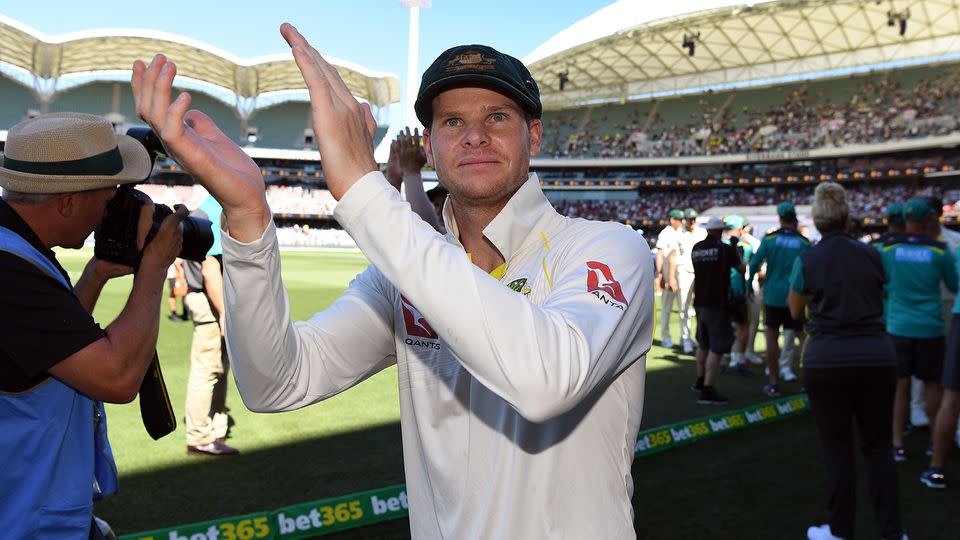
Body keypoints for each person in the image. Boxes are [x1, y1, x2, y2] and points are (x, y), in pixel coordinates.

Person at [133, 27, 653, 540]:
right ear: (429, 144)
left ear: (533, 134)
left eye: (497, 116)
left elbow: (545, 382)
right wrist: (248, 215)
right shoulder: (402, 279)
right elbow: (276, 383)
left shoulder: (607, 249)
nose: (474, 135)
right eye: (452, 121)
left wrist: (363, 190)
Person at [0, 112, 186, 538]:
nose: (107, 216)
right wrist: (155, 266)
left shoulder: (16, 250)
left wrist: (97, 273)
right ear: (67, 201)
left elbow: (49, 351)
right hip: (21, 520)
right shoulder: (7, 270)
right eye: (105, 202)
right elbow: (117, 377)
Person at [788, 182, 906, 540]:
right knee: (879, 446)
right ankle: (892, 532)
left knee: (837, 449)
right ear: (846, 215)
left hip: (827, 359)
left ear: (818, 218)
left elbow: (796, 309)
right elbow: (884, 293)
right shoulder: (873, 254)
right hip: (876, 355)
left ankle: (840, 531)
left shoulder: (807, 257)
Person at [881, 197, 957, 462]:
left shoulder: (887, 250)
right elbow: (954, 284)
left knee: (900, 386)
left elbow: (881, 282)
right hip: (930, 327)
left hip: (898, 326)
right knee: (933, 387)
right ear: (928, 221)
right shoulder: (939, 250)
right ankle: (935, 444)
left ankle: (897, 442)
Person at [182, 196, 239, 456]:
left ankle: (214, 431)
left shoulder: (204, 212)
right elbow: (210, 268)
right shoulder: (212, 213)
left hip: (211, 301)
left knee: (218, 369)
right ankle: (200, 436)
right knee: (208, 370)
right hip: (210, 303)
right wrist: (225, 313)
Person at [748, 200, 811, 397]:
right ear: (794, 218)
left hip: (773, 296)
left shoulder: (769, 239)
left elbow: (755, 263)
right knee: (803, 339)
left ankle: (774, 383)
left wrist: (748, 284)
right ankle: (808, 383)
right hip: (797, 296)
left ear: (780, 218)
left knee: (772, 338)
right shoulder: (804, 242)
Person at [690, 216, 742, 404]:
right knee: (717, 347)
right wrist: (737, 250)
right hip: (717, 304)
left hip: (700, 302)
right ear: (720, 231)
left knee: (703, 344)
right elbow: (742, 268)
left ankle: (699, 381)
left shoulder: (696, 248)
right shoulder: (724, 249)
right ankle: (708, 389)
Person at [385, 127, 444, 233]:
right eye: (436, 204)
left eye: (444, 204)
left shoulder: (458, 239)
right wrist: (394, 181)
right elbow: (388, 230)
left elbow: (426, 231)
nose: (439, 210)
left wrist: (411, 173)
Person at [671, 207, 707, 354]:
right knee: (684, 307)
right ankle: (686, 339)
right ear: (685, 219)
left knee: (700, 307)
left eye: (694, 219)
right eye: (689, 219)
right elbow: (673, 256)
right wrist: (672, 278)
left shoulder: (702, 232)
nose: (692, 222)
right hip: (683, 273)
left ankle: (698, 338)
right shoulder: (678, 234)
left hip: (701, 273)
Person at [723, 214, 755, 375]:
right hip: (738, 292)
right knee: (744, 327)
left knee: (724, 327)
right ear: (739, 228)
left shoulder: (718, 245)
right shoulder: (745, 246)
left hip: (722, 293)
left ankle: (722, 359)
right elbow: (744, 268)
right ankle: (738, 360)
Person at [656, 209, 683, 348]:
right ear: (672, 219)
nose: (681, 222)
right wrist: (661, 275)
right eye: (679, 219)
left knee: (683, 307)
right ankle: (666, 336)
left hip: (681, 273)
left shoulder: (680, 232)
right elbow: (660, 254)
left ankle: (685, 337)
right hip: (668, 274)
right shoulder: (665, 233)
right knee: (667, 307)